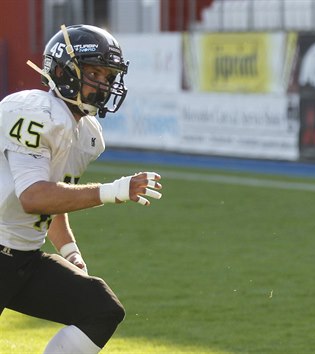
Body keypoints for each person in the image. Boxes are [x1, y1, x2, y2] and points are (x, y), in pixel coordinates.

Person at [0, 24, 162, 353]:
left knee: (100, 308)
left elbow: (53, 197)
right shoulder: (35, 112)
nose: (103, 85)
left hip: (23, 258)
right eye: (95, 74)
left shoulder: (87, 134)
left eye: (108, 76)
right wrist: (113, 191)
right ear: (62, 72)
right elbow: (33, 197)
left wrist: (69, 250)